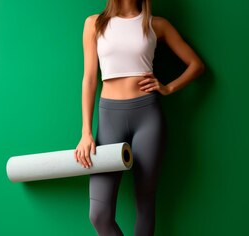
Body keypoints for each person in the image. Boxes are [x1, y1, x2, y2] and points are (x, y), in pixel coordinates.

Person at [73, 0, 204, 235]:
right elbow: (90, 79)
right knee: (98, 215)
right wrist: (86, 132)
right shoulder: (94, 23)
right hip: (109, 118)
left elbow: (196, 65)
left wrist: (168, 87)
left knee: (145, 206)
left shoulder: (156, 25)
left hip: (148, 117)